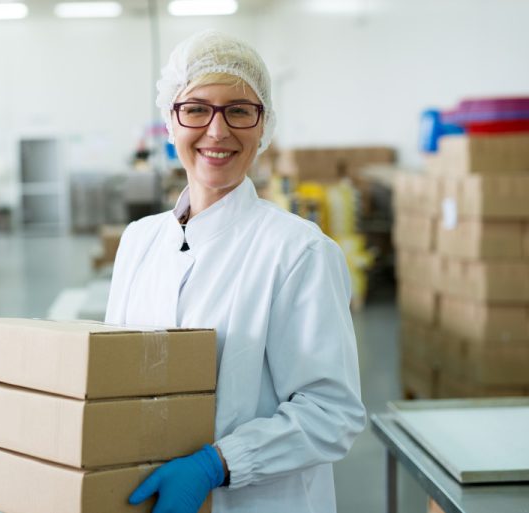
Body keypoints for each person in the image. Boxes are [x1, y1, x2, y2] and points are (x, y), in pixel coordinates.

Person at [105, 30, 366, 513]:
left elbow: (334, 414)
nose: (217, 131)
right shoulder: (139, 241)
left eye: (239, 110)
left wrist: (217, 464)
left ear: (263, 124)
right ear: (171, 119)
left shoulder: (299, 251)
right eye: (197, 108)